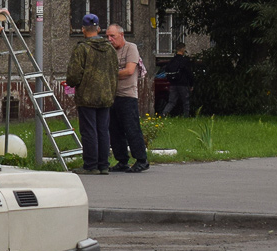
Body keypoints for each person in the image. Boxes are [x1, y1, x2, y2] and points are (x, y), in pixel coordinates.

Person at [66, 13, 118, 175]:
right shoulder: (110, 48)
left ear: (83, 29)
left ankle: (91, 165)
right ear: (99, 29)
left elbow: (74, 74)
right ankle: (104, 165)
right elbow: (114, 71)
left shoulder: (82, 48)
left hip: (87, 96)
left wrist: (71, 83)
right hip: (106, 95)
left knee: (89, 130)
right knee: (103, 130)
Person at [105, 24, 150, 173]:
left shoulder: (131, 48)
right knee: (115, 130)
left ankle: (141, 159)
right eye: (108, 36)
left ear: (122, 35)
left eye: (113, 36)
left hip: (127, 95)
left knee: (131, 128)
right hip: (112, 95)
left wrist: (110, 74)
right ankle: (122, 160)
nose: (110, 39)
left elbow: (129, 71)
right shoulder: (109, 50)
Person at [161, 43, 195, 117]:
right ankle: (186, 116)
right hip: (183, 83)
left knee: (171, 101)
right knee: (185, 101)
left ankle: (164, 113)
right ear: (183, 49)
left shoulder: (172, 60)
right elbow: (189, 73)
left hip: (173, 84)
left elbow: (166, 70)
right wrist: (191, 84)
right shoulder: (184, 60)